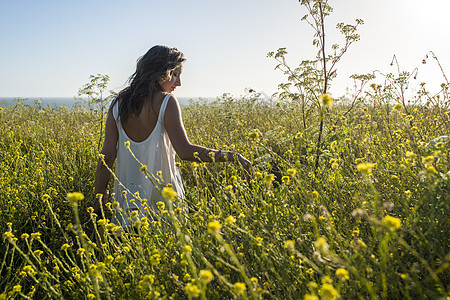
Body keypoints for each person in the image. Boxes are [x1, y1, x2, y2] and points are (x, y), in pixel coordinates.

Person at [93, 45, 251, 227]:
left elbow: (106, 157)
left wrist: (99, 199)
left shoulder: (117, 105)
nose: (179, 83)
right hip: (166, 205)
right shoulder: (167, 101)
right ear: (160, 72)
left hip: (127, 205)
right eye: (175, 74)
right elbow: (185, 151)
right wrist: (233, 156)